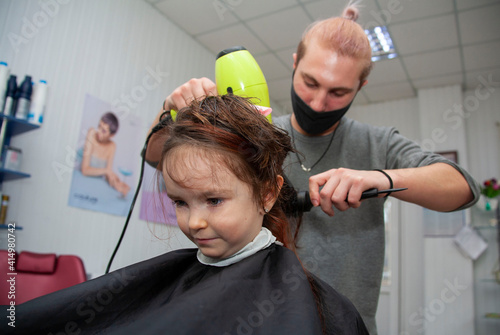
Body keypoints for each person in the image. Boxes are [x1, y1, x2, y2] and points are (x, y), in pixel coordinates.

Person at [144, 4, 480, 334]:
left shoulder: (377, 144)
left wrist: (378, 177)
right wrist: (169, 109)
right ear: (295, 64)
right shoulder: (259, 136)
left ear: (359, 88)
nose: (318, 103)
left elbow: (462, 187)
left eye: (338, 92)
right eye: (310, 82)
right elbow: (154, 154)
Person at [1, 95, 369, 335]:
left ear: (268, 194)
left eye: (213, 200)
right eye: (180, 202)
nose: (193, 222)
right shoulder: (171, 275)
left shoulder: (319, 308)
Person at [81, 111, 130, 197]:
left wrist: (117, 184)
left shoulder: (112, 146)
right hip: (82, 177)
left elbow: (107, 173)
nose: (99, 132)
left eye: (103, 131)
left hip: (96, 181)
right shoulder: (92, 133)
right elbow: (85, 170)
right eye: (99, 126)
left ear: (112, 135)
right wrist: (107, 171)